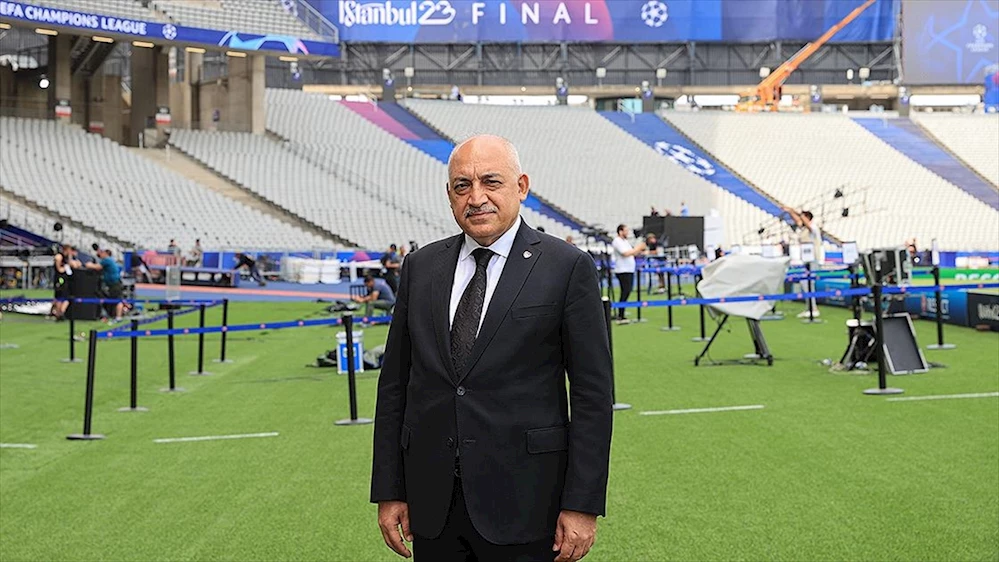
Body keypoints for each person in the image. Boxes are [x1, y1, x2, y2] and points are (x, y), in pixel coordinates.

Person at [371, 135, 613, 562]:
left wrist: (582, 503)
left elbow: (592, 395)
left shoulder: (566, 267)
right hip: (433, 504)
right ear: (449, 195)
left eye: (491, 182)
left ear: (521, 186)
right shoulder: (420, 267)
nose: (476, 197)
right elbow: (395, 385)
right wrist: (390, 490)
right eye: (462, 185)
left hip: (528, 502)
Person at [783, 206, 825, 317]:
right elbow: (798, 220)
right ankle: (810, 308)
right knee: (805, 283)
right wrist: (790, 211)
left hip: (814, 259)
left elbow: (806, 223)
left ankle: (813, 309)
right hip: (806, 259)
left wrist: (798, 213)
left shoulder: (813, 227)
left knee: (808, 283)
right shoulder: (803, 229)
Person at [611, 224, 646, 323]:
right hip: (623, 270)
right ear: (620, 231)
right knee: (625, 291)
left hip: (628, 269)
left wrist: (639, 250)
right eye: (625, 231)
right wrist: (638, 248)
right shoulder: (617, 241)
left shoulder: (625, 241)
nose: (627, 233)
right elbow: (625, 253)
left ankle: (622, 312)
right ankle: (621, 314)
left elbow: (632, 252)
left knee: (627, 291)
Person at [85, 248, 124, 323]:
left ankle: (118, 317)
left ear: (106, 254)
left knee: (117, 300)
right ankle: (114, 315)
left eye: (102, 253)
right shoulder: (110, 260)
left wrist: (88, 264)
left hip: (114, 283)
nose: (101, 255)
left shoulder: (107, 260)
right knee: (113, 299)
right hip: (112, 283)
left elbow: (97, 267)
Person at [50, 244, 81, 320]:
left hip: (65, 279)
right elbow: (59, 269)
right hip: (60, 279)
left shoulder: (68, 257)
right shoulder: (59, 257)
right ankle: (58, 313)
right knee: (59, 296)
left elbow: (76, 264)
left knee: (64, 296)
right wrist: (66, 267)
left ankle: (59, 312)